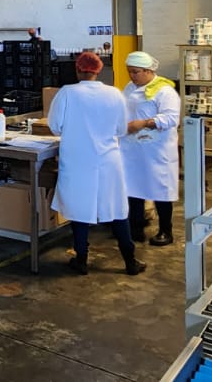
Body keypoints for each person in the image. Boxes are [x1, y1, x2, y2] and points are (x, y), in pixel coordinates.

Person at [49, 51, 146, 275]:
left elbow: (55, 126)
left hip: (77, 160)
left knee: (79, 210)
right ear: (99, 71)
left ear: (77, 70)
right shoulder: (114, 94)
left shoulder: (67, 93)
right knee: (117, 209)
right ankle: (130, 261)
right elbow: (121, 129)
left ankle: (81, 260)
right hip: (108, 160)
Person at [120, 51, 181, 246]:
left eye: (136, 72)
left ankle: (165, 231)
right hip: (133, 149)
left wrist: (145, 123)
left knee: (160, 189)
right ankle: (136, 228)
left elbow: (171, 118)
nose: (132, 76)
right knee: (133, 187)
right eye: (129, 71)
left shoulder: (164, 91)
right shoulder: (130, 88)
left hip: (156, 149)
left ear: (148, 71)